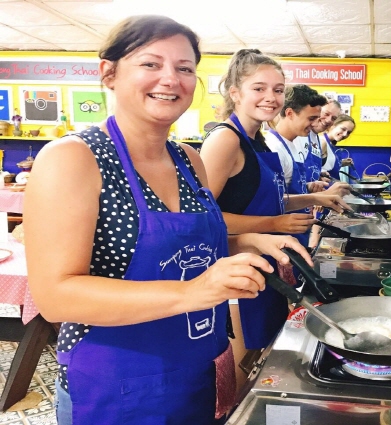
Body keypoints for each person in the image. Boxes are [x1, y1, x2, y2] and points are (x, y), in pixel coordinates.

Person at [23, 16, 311, 425]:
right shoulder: (74, 159)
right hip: (119, 386)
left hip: (197, 371)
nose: (170, 79)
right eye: (151, 64)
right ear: (109, 72)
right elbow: (55, 296)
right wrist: (193, 292)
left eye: (184, 68)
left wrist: (248, 243)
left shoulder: (188, 160)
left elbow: (185, 248)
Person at [199, 49, 348, 353]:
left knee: (266, 352)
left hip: (266, 265)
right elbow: (203, 219)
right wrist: (275, 224)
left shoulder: (258, 141)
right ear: (235, 93)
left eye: (278, 90)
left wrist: (315, 197)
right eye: (259, 88)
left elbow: (268, 199)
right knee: (248, 366)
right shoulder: (225, 140)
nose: (271, 97)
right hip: (237, 268)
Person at [265, 84, 350, 247]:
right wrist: (321, 197)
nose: (316, 123)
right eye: (311, 118)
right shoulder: (273, 148)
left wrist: (309, 186)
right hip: (280, 238)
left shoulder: (293, 145)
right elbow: (271, 202)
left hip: (297, 232)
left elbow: (285, 186)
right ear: (289, 113)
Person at [295, 98, 342, 182]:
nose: (328, 120)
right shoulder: (299, 135)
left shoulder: (317, 139)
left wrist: (318, 174)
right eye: (326, 114)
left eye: (333, 118)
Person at [321, 114, 356, 180]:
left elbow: (325, 164)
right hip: (325, 187)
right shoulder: (322, 142)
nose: (345, 134)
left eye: (348, 132)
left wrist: (341, 162)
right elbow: (312, 168)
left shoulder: (332, 144)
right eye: (343, 129)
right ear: (333, 125)